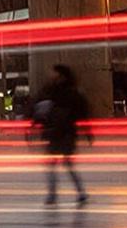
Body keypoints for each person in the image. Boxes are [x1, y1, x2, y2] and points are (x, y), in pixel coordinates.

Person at [30, 64, 91, 205]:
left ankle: (55, 194)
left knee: (56, 164)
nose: (51, 76)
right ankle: (77, 193)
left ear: (60, 75)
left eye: (54, 73)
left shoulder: (58, 91)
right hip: (61, 133)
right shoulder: (64, 91)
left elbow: (42, 108)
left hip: (60, 133)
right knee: (64, 164)